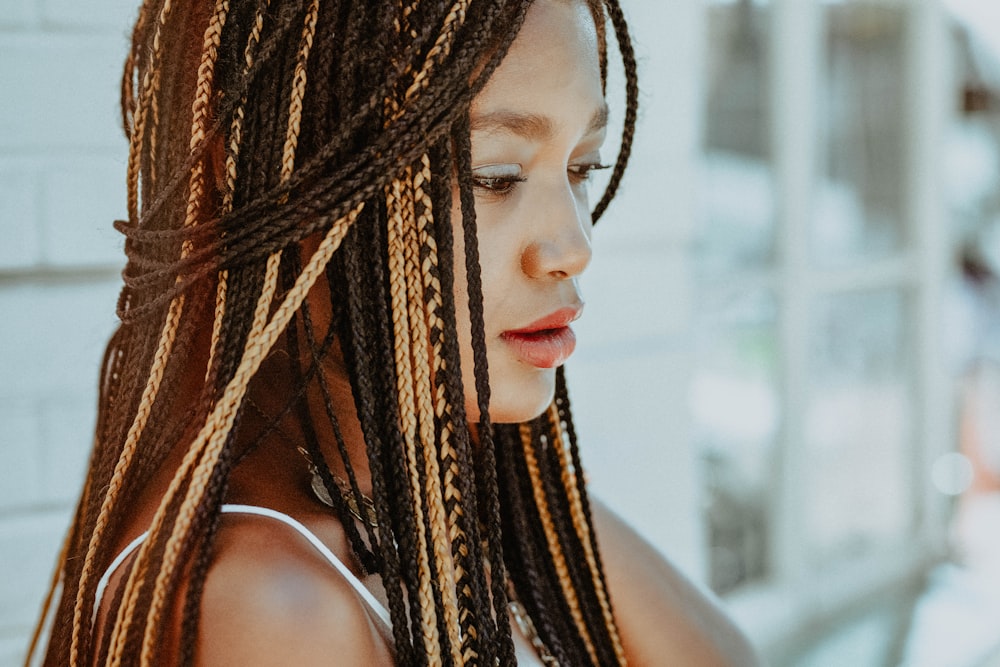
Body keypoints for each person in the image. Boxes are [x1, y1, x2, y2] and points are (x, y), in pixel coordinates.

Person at [28, 0, 759, 664]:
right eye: (496, 175)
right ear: (287, 188)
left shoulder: (426, 497)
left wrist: (498, 468)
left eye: (580, 166)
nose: (572, 245)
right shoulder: (271, 606)